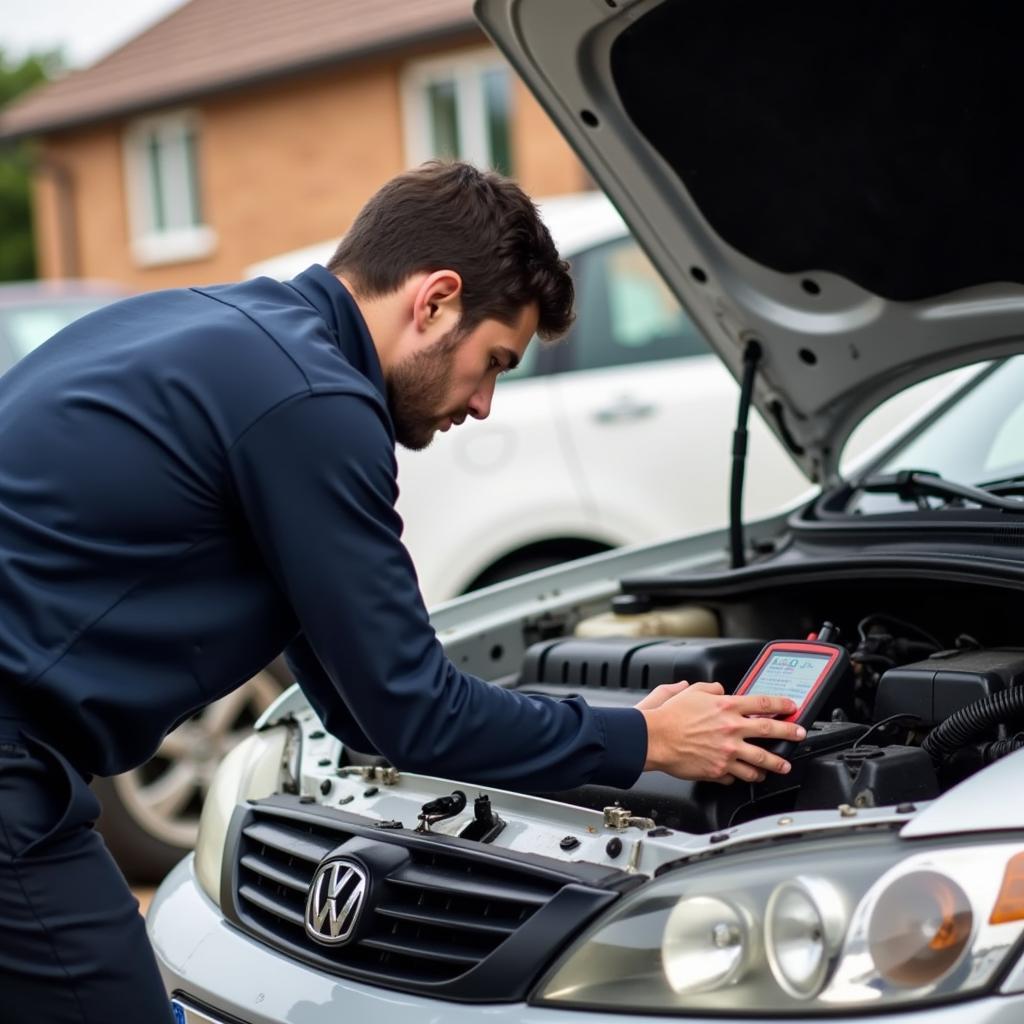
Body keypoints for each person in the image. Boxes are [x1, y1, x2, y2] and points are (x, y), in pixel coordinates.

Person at [0, 161, 804, 1020]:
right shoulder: (315, 401)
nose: (487, 402)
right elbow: (414, 713)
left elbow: (361, 710)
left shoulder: (208, 327)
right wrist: (644, 738)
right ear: (435, 301)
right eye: (492, 361)